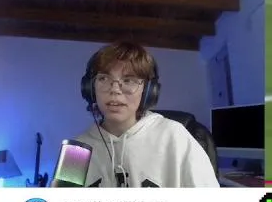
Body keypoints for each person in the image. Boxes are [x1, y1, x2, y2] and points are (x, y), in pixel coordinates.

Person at [77, 41, 218, 187]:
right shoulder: (76, 151)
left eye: (128, 80)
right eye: (104, 78)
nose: (115, 90)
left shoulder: (175, 137)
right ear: (90, 88)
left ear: (148, 91)